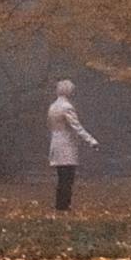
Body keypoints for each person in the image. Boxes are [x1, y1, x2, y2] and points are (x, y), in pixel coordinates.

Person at [44, 80, 97, 213]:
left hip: (55, 143)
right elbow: (76, 127)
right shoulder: (67, 107)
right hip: (66, 145)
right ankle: (64, 205)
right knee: (68, 177)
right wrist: (91, 140)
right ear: (69, 91)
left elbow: (50, 126)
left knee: (61, 176)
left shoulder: (53, 106)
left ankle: (60, 205)